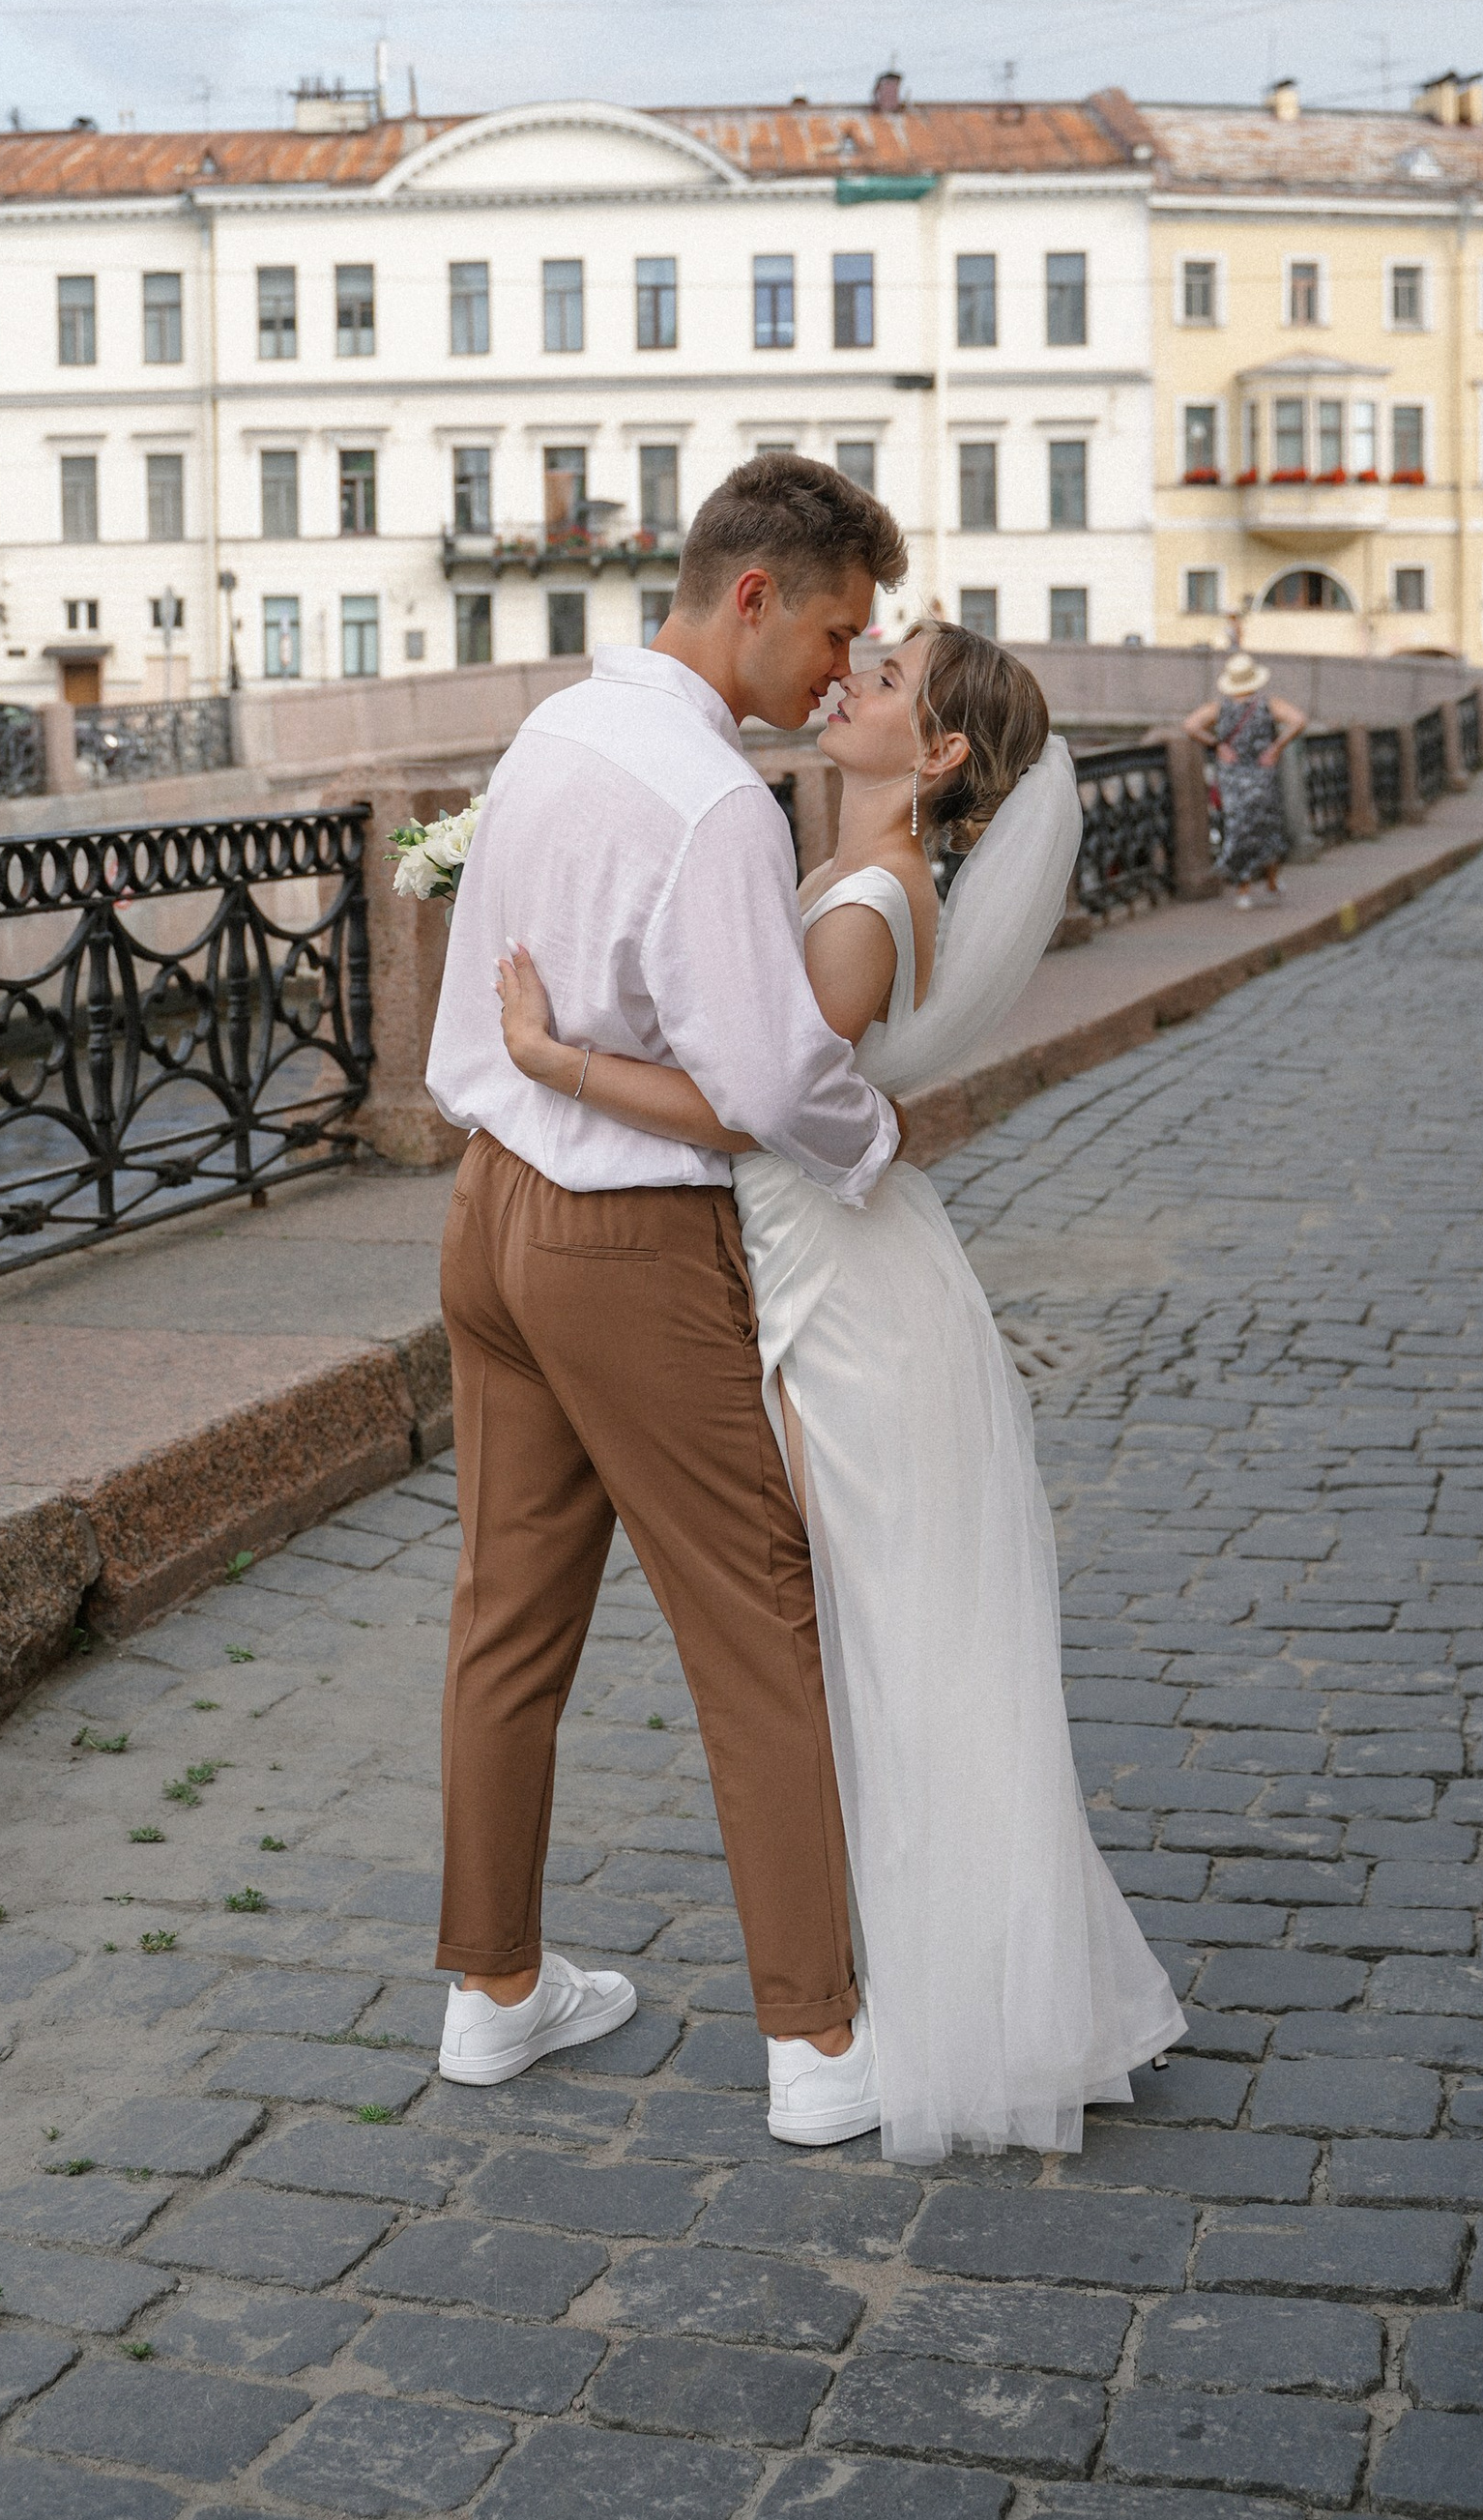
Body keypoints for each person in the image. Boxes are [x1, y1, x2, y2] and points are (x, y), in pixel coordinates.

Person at [497, 619, 1186, 2159]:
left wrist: (554, 1060)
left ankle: (961, 2003)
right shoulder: (858, 878)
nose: (845, 682)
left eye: (882, 683)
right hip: (824, 1271)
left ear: (937, 754)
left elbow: (753, 1112)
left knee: (888, 1639)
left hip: (839, 1301)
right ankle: (955, 1980)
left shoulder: (867, 905)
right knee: (886, 1636)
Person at [423, 452, 904, 2149]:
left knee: (505, 1617)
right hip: (623, 1243)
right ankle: (821, 2041)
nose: (841, 676)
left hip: (490, 1211)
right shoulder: (714, 799)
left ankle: (492, 1992)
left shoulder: (557, 729)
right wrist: (877, 1139)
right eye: (835, 633)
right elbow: (770, 1080)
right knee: (758, 1620)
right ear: (753, 595)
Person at [1184, 649, 1304, 910]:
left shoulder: (1219, 708)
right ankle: (1271, 882)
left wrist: (1217, 745)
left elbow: (1190, 725)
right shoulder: (1268, 705)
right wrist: (1276, 747)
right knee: (1268, 827)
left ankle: (1243, 890)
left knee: (1239, 829)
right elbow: (1298, 720)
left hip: (1233, 777)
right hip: (1262, 774)